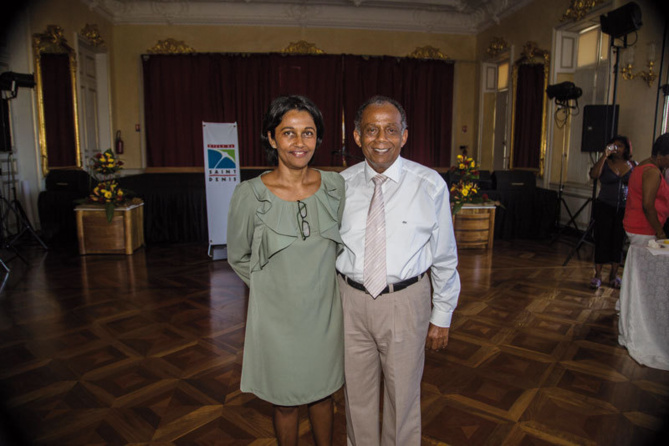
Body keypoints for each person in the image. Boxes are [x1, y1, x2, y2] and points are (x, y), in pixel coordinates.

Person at [335, 95, 461, 446]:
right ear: (357, 137)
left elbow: (445, 256)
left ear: (405, 136)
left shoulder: (429, 184)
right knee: (356, 399)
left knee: (403, 399)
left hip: (406, 302)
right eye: (371, 130)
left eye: (391, 130)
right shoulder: (339, 187)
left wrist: (443, 315)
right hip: (349, 302)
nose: (381, 139)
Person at [227, 95, 345, 446]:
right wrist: (272, 289)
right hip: (276, 320)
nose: (299, 142)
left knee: (324, 395)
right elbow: (238, 256)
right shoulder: (249, 195)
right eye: (288, 133)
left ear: (318, 139)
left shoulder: (336, 187)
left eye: (308, 133)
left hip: (325, 315)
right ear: (271, 138)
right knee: (285, 402)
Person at [588, 135, 636, 289]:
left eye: (620, 146)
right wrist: (604, 155)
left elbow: (636, 186)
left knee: (618, 241)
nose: (616, 148)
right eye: (613, 145)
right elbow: (594, 175)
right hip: (604, 206)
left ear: (626, 149)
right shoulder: (606, 162)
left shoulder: (632, 164)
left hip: (623, 209)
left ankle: (614, 275)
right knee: (602, 239)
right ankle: (597, 274)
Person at [623, 132, 669, 246]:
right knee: (646, 262)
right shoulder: (652, 172)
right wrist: (660, 232)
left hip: (640, 226)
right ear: (660, 155)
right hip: (644, 228)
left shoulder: (644, 165)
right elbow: (648, 205)